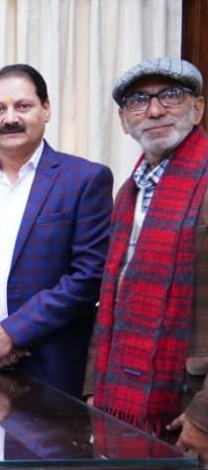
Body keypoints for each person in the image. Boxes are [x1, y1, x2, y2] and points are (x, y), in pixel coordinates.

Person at [0, 64, 113, 398]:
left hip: (55, 368)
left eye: (23, 106)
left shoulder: (85, 179)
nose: (10, 118)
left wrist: (13, 332)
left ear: (46, 109)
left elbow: (89, 275)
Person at [88, 58, 208, 438]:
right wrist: (93, 388)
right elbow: (112, 295)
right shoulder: (128, 193)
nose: (154, 110)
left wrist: (204, 418)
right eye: (139, 100)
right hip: (122, 400)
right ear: (124, 120)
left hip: (189, 403)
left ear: (197, 108)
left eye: (170, 95)